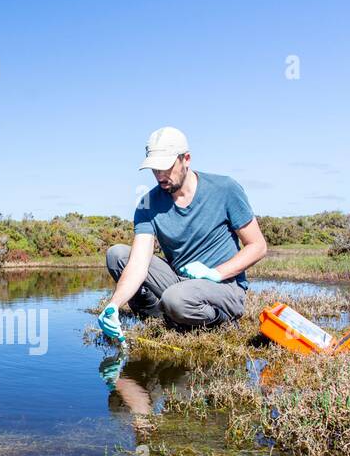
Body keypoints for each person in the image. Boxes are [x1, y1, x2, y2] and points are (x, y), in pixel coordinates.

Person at [98, 127, 267, 340]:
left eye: (166, 167)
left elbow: (258, 246)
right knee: (118, 255)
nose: (160, 175)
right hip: (179, 282)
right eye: (154, 169)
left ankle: (217, 320)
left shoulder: (225, 189)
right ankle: (160, 317)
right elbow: (139, 263)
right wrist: (114, 305)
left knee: (176, 299)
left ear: (186, 159)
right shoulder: (147, 204)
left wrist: (215, 273)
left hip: (224, 285)